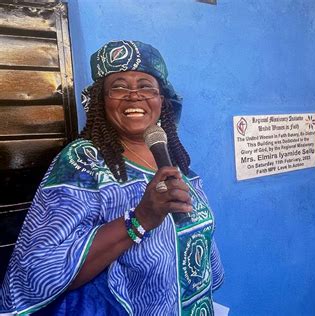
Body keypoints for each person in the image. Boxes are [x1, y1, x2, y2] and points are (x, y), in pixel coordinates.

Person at [0, 40, 224, 315]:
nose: (134, 96)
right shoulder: (83, 162)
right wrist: (140, 219)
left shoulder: (173, 158)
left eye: (145, 86)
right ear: (100, 100)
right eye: (119, 86)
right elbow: (36, 271)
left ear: (161, 100)